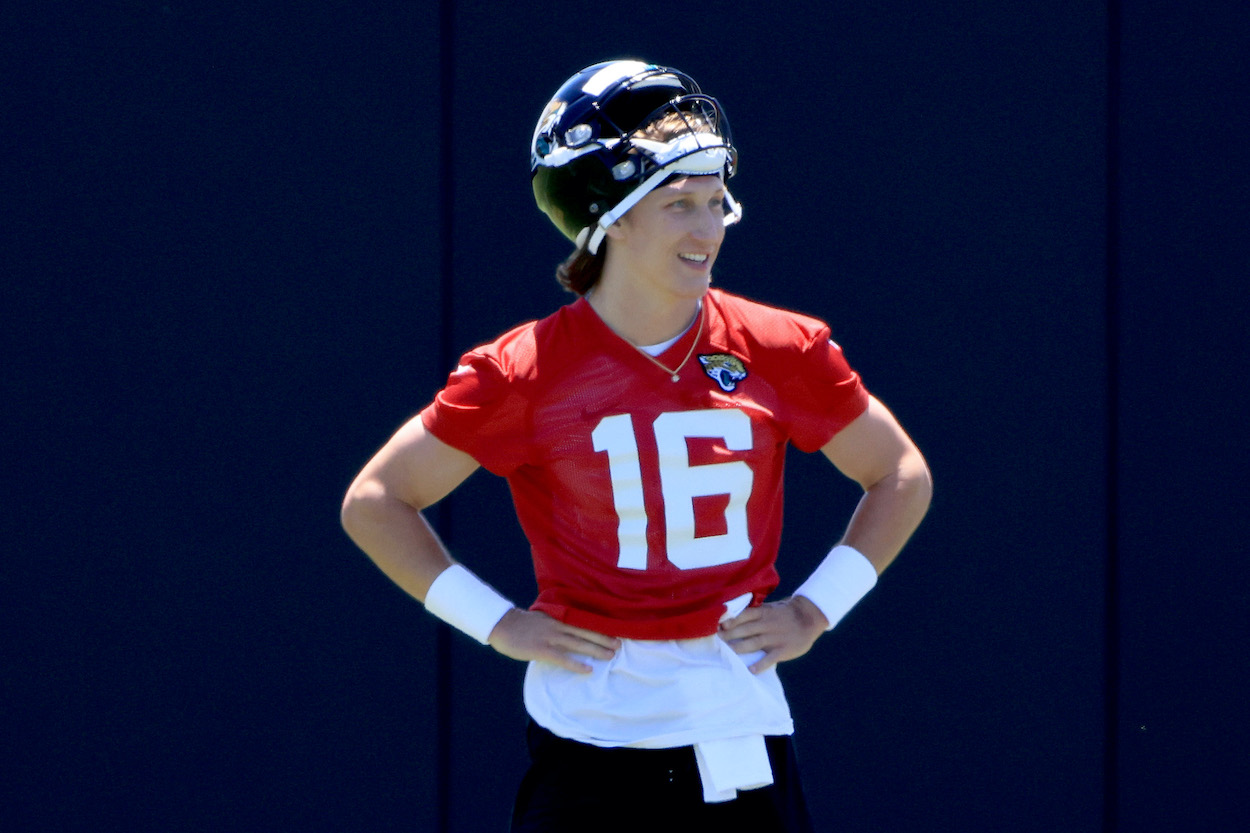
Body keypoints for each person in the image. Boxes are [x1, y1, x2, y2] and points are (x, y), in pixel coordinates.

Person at [341, 60, 932, 832]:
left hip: (735, 729)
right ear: (608, 216)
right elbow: (376, 501)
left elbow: (899, 472)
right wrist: (498, 623)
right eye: (679, 203)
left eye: (716, 201)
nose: (708, 228)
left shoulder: (779, 347)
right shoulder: (526, 371)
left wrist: (817, 610)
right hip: (589, 736)